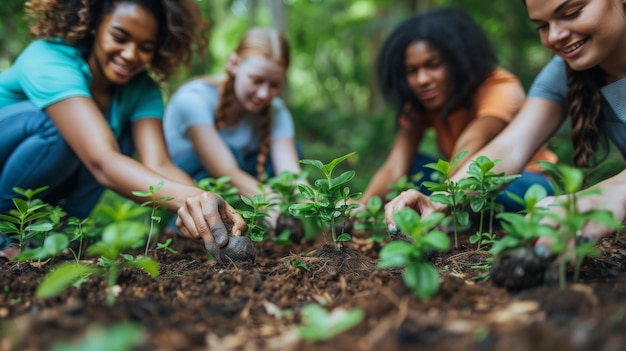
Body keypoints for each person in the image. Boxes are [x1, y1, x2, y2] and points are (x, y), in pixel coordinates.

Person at [0, 0, 246, 258]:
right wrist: (186, 199)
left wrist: (203, 203)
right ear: (95, 25)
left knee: (117, 139)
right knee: (63, 129)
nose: (130, 54)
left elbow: (159, 164)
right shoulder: (49, 59)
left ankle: (56, 237)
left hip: (46, 177)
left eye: (145, 47)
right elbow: (102, 160)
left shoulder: (141, 89)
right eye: (119, 37)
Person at [385, 0, 626, 259]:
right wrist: (440, 199)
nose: (555, 36)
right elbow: (511, 146)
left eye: (572, 12)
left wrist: (612, 192)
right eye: (542, 26)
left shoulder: (499, 86)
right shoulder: (561, 72)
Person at [357, 6, 557, 214]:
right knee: (414, 166)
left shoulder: (499, 87)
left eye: (433, 65)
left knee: (491, 186)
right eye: (412, 71)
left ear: (458, 61)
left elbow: (472, 141)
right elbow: (395, 167)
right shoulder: (420, 104)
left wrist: (441, 200)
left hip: (523, 181)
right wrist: (362, 206)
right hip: (458, 181)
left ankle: (449, 214)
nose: (422, 80)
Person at [163, 27, 305, 231]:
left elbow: (291, 175)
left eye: (274, 85)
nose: (264, 93)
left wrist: (330, 207)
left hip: (241, 182)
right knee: (234, 155)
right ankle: (182, 229)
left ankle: (256, 227)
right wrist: (272, 201)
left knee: (294, 150)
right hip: (188, 180)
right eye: (256, 80)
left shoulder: (277, 111)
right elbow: (225, 170)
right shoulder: (193, 99)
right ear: (233, 64)